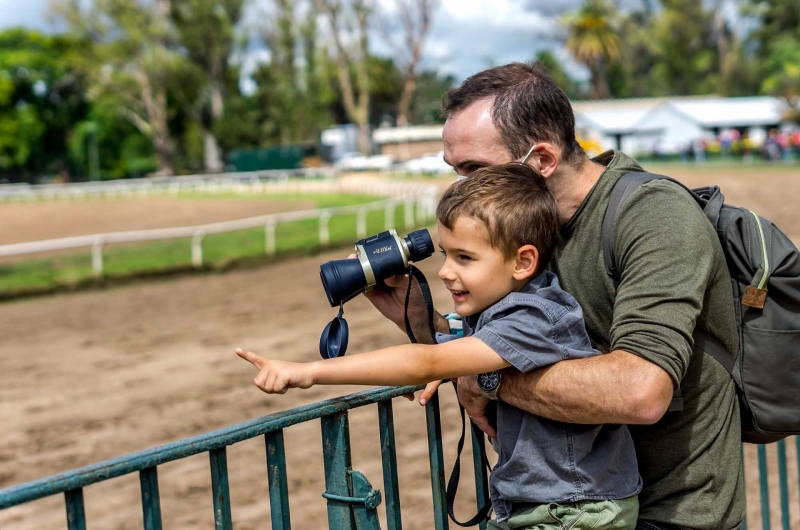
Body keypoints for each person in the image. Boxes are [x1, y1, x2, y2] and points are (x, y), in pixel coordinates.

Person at [360, 63, 743, 530]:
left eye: (474, 168)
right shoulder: (525, 226)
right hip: (563, 511)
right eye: (455, 171)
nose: (460, 186)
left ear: (541, 159)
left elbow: (640, 392)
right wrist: (426, 324)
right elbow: (522, 338)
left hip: (672, 514)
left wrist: (484, 378)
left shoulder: (653, 216)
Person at [237, 164, 642, 530]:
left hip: (574, 511)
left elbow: (428, 362)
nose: (446, 272)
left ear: (522, 263)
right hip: (547, 505)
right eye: (447, 254)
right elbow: (450, 350)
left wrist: (308, 372)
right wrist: (415, 317)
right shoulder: (504, 309)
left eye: (465, 258)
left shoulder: (534, 315)